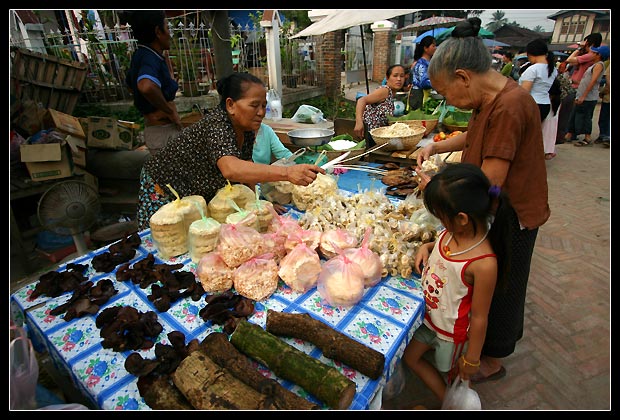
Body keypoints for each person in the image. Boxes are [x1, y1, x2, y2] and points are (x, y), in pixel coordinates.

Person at [416, 17, 550, 383]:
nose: (448, 101)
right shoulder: (488, 99)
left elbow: (491, 180)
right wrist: (435, 147)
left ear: (463, 77)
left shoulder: (510, 106)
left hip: (512, 211)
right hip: (490, 207)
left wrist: (441, 188)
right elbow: (473, 135)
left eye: (446, 93)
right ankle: (470, 342)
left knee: (503, 283)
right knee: (489, 282)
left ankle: (491, 358)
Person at [136, 72, 325, 230]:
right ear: (230, 105)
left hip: (195, 193)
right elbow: (231, 169)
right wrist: (287, 173)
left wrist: (259, 204)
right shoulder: (217, 124)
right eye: (254, 105)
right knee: (165, 235)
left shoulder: (246, 128)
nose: (261, 112)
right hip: (163, 186)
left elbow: (246, 168)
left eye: (263, 106)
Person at [402, 162, 512, 402]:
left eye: (441, 216)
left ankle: (451, 403)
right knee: (410, 358)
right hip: (429, 320)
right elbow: (442, 246)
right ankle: (447, 400)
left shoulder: (483, 264)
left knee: (453, 375)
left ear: (461, 218)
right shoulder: (453, 232)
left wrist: (472, 359)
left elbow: (480, 317)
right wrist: (426, 247)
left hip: (452, 334)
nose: (439, 221)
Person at [122, 11, 183, 157]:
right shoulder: (150, 58)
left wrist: (148, 107)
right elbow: (146, 86)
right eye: (167, 28)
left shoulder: (141, 55)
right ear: (158, 32)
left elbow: (131, 85)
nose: (170, 34)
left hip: (156, 131)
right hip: (163, 134)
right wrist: (168, 110)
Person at [556, 33, 602, 144]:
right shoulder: (589, 56)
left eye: (585, 41)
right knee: (574, 113)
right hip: (577, 86)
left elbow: (569, 60)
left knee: (575, 113)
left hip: (578, 86)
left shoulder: (591, 56)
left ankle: (572, 134)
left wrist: (578, 49)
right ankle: (570, 133)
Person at [519, 39, 558, 160]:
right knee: (534, 133)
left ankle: (524, 159)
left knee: (524, 135)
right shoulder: (552, 69)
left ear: (531, 54)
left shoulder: (533, 69)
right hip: (545, 104)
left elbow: (524, 92)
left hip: (532, 104)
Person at [353, 64, 406, 147]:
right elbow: (362, 100)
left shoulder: (391, 94)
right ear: (387, 78)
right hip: (369, 136)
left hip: (379, 137)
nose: (399, 79)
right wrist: (359, 122)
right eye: (395, 76)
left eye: (402, 76)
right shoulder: (385, 91)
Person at [567, 45, 608, 147]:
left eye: (594, 53)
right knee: (575, 114)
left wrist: (584, 96)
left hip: (589, 97)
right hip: (582, 94)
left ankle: (587, 137)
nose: (591, 54)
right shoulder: (594, 65)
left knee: (585, 117)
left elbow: (593, 81)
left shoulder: (599, 65)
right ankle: (570, 134)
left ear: (598, 55)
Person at [409, 36, 437, 111]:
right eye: (433, 46)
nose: (435, 48)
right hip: (419, 95)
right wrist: (438, 83)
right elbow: (424, 82)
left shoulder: (430, 63)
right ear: (425, 48)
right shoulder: (421, 64)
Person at [594, 60, 610, 148]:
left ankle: (605, 136)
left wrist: (602, 92)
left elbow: (608, 83)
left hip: (608, 98)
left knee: (605, 118)